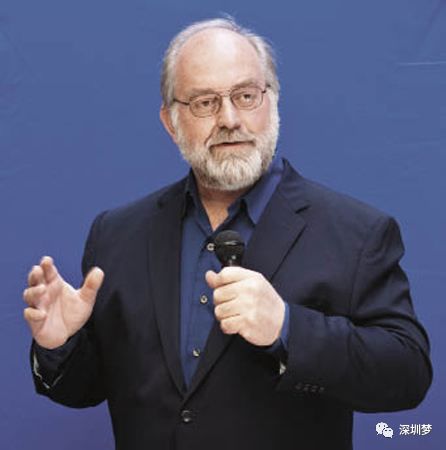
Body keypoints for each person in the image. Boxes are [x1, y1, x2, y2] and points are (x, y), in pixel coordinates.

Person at [23, 17, 432, 450]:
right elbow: (86, 389)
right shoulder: (117, 234)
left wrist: (288, 327)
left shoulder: (357, 233)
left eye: (246, 96)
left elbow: (406, 375)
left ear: (272, 102)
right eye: (205, 103)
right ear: (170, 121)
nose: (230, 119)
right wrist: (59, 344)